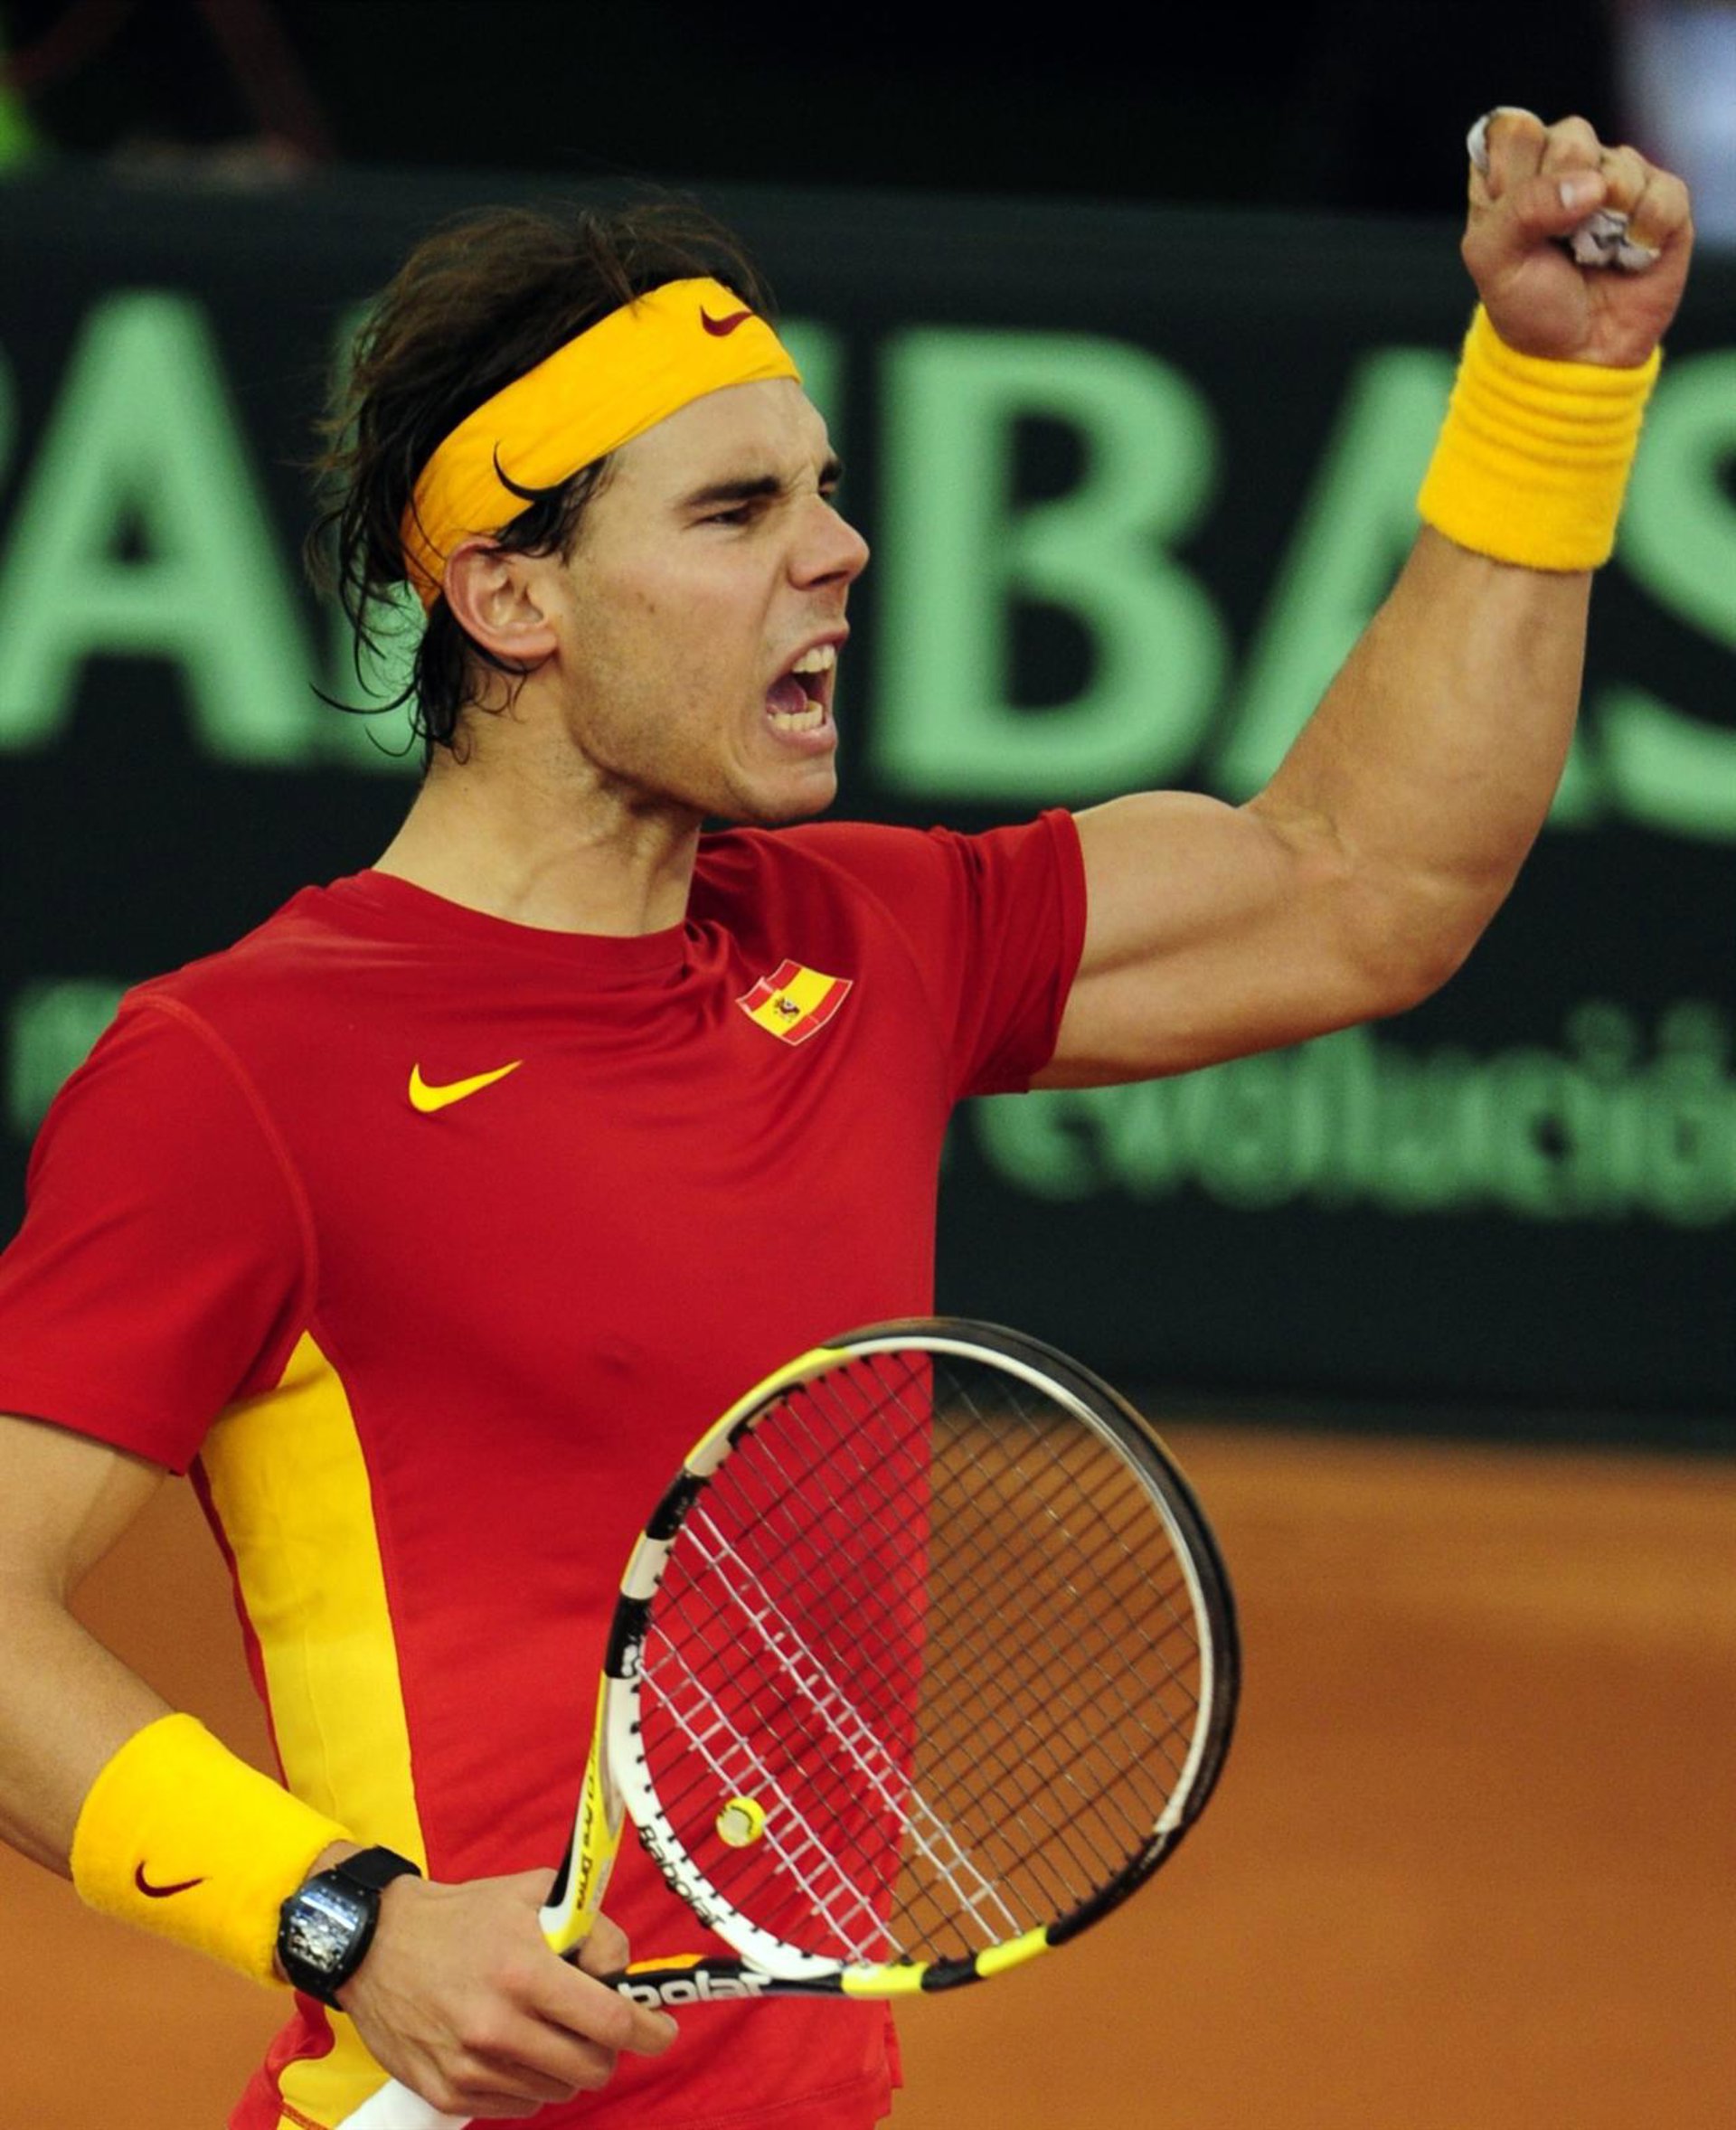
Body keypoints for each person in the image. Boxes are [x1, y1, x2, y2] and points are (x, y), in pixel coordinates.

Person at [0, 109, 1694, 2129]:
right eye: (737, 510)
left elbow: (1362, 880)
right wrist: (344, 1919)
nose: (840, 549)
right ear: (514, 600)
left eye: (826, 489)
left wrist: (1552, 391)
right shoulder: (245, 1071)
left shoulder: (861, 937)